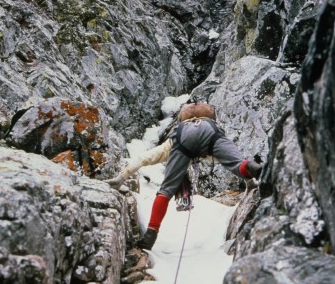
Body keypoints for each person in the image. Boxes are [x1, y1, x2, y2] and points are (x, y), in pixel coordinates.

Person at [106, 100, 263, 250]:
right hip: (211, 132)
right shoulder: (212, 124)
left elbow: (144, 158)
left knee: (166, 190)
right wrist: (248, 179)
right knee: (240, 162)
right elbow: (232, 161)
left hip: (182, 139)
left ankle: (150, 236)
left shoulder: (176, 133)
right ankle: (254, 167)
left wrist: (121, 178)